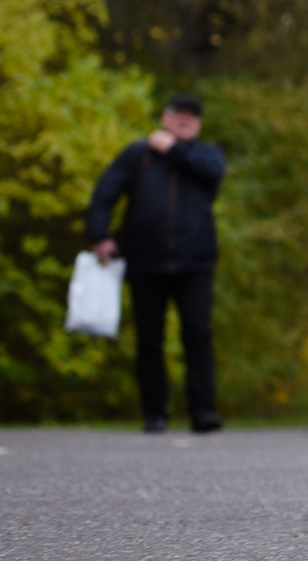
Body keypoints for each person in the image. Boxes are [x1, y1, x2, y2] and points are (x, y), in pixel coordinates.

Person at [87, 95, 226, 433]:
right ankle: (154, 412)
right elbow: (104, 193)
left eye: (193, 115)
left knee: (198, 334)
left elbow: (213, 172)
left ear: (200, 123)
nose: (186, 119)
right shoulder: (138, 155)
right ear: (165, 117)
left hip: (195, 262)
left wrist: (172, 149)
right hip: (145, 261)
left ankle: (203, 411)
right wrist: (99, 235)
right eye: (179, 113)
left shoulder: (206, 155)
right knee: (149, 339)